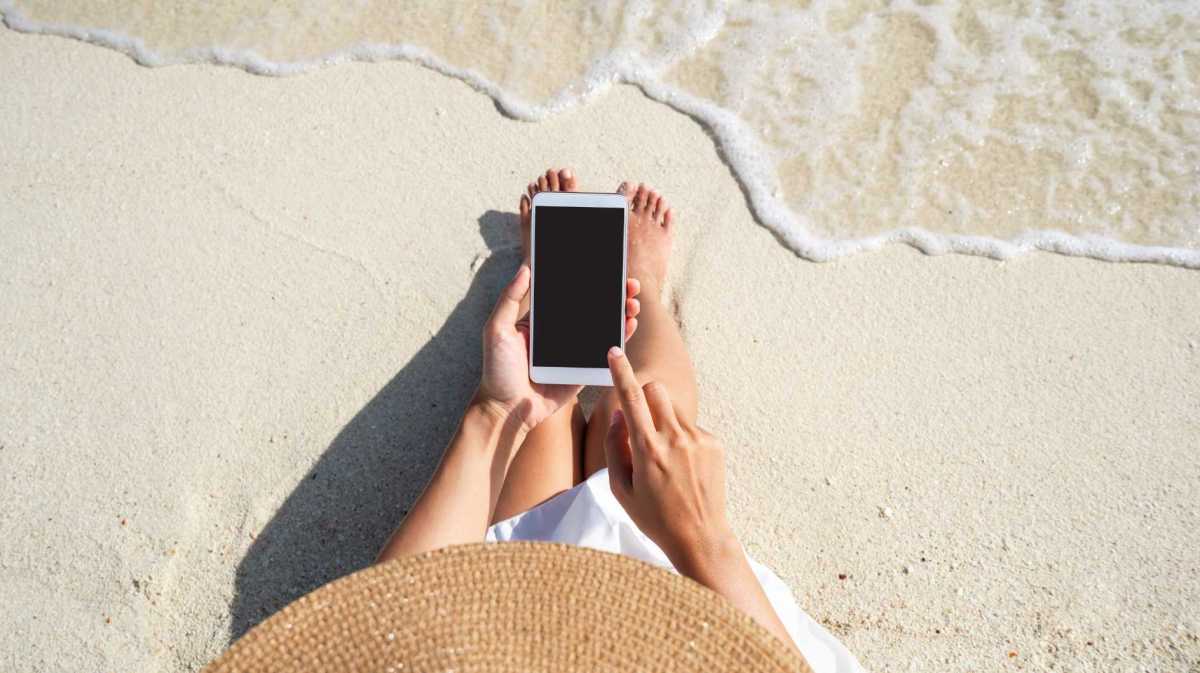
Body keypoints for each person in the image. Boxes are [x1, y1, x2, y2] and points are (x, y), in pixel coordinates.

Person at [377, 169, 859, 672]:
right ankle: (641, 284)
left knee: (541, 407)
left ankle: (552, 281)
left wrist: (493, 411)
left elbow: (390, 628)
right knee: (641, 408)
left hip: (533, 611)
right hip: (682, 622)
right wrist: (699, 536)